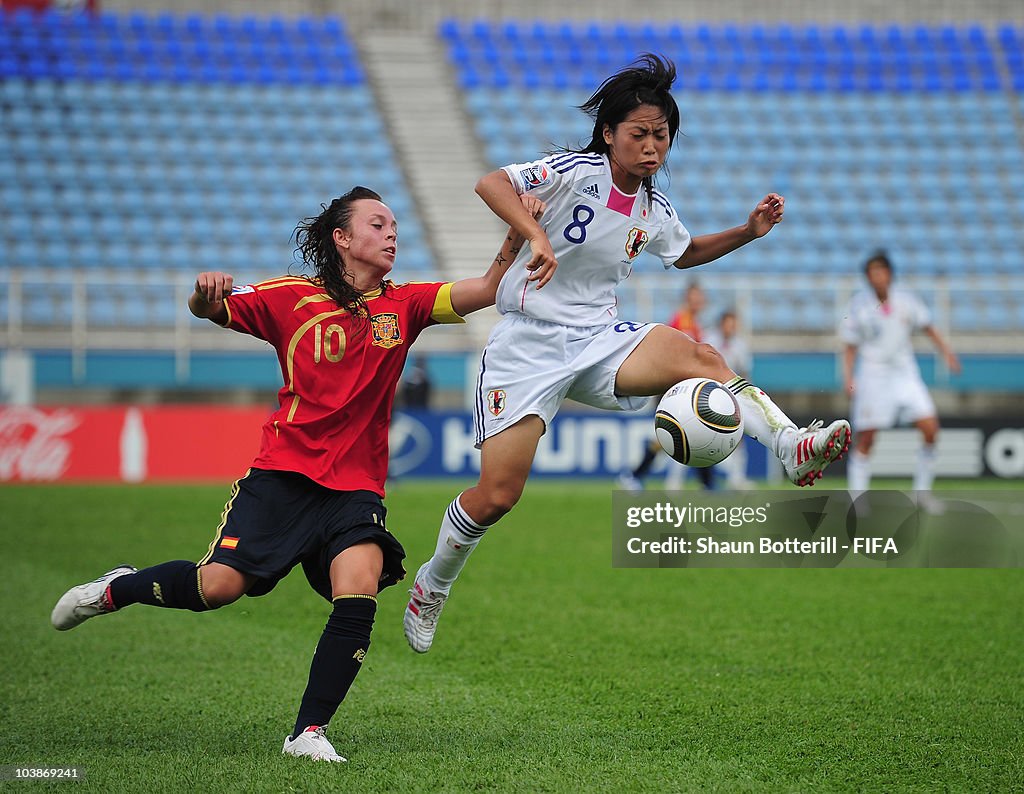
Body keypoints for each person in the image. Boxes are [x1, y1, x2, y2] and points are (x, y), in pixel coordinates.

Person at [50, 186, 545, 763]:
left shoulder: (406, 303)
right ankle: (116, 589)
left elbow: (486, 289)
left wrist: (520, 230)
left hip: (356, 488)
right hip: (283, 476)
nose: (392, 233)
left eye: (394, 225)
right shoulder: (290, 299)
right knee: (218, 589)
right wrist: (203, 295)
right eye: (378, 223)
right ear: (342, 238)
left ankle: (308, 733)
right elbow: (213, 309)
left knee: (359, 582)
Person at [403, 54, 851, 654]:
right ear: (610, 133)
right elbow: (492, 183)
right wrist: (534, 232)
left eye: (661, 136)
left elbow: (685, 252)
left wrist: (747, 232)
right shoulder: (572, 172)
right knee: (498, 496)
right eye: (638, 133)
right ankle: (433, 583)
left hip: (599, 340)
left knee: (703, 357)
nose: (651, 147)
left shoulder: (653, 210)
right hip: (526, 346)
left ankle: (790, 446)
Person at [840, 251, 960, 499]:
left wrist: (947, 353)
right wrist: (849, 378)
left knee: (930, 429)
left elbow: (928, 327)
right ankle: (857, 499)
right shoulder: (859, 305)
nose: (877, 277)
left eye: (881, 271)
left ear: (890, 274)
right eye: (872, 273)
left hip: (905, 373)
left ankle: (922, 494)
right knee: (867, 439)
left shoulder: (906, 300)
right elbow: (850, 346)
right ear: (867, 278)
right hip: (874, 374)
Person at [618, 281, 715, 490]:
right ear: (687, 299)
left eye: (700, 297)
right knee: (675, 436)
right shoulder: (683, 322)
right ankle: (633, 476)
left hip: (679, 390)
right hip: (674, 390)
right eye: (694, 297)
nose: (698, 301)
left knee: (691, 434)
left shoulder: (694, 324)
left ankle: (707, 485)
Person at [703, 309, 753, 489]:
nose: (732, 328)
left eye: (734, 324)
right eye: (729, 323)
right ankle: (674, 480)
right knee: (698, 435)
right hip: (709, 395)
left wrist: (747, 397)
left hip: (732, 396)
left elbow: (745, 372)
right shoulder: (709, 340)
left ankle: (737, 478)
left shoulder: (740, 345)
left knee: (738, 436)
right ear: (722, 323)